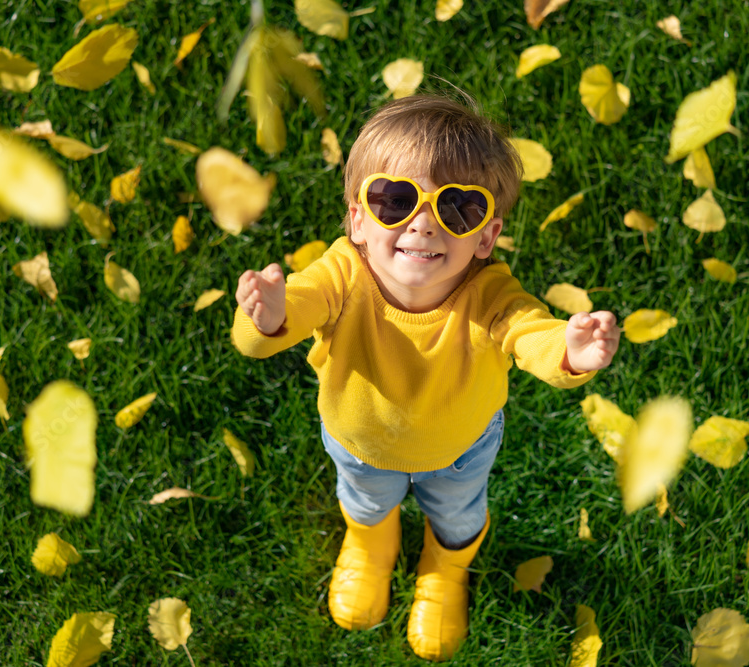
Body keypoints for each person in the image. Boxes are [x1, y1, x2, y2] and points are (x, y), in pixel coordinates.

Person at [232, 94, 620, 661]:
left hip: (460, 449)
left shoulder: (490, 293)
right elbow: (294, 309)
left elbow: (529, 332)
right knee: (365, 503)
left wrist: (569, 350)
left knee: (459, 515)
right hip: (360, 446)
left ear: (486, 237)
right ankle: (371, 544)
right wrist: (267, 316)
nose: (423, 223)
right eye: (395, 199)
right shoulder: (342, 273)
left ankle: (445, 569)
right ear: (358, 220)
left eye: (459, 209)